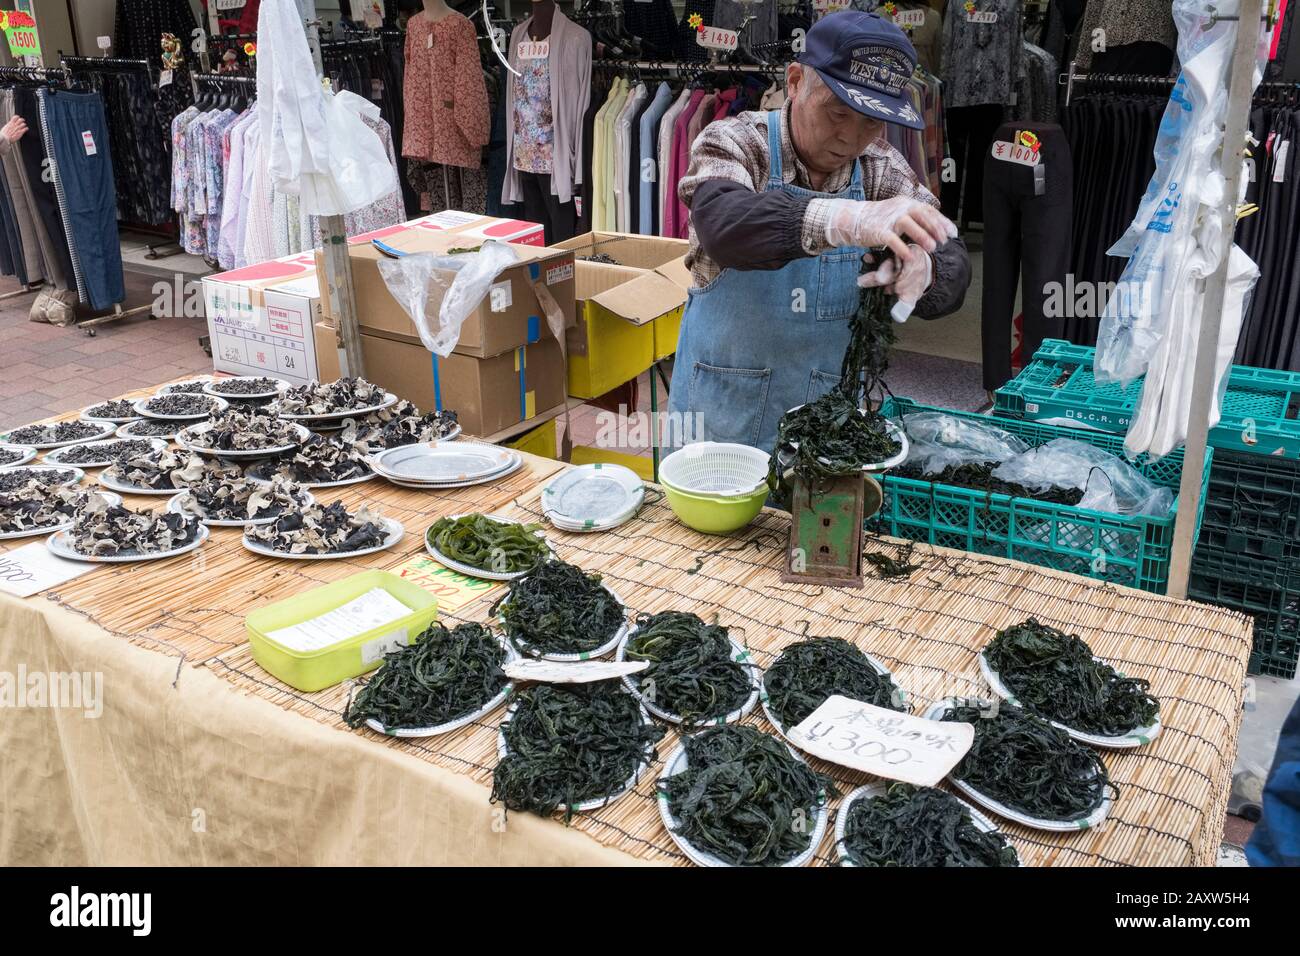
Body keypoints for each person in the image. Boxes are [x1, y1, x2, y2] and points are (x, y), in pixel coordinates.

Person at [668, 11, 971, 453]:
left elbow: (951, 252)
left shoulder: (882, 169)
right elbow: (722, 224)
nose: (850, 137)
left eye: (870, 121)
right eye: (837, 112)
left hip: (828, 429)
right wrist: (840, 219)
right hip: (718, 419)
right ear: (794, 82)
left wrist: (928, 268)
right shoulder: (736, 142)